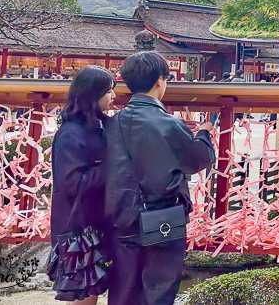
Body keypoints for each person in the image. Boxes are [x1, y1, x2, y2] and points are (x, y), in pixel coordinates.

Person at [105, 52, 216, 305]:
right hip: (163, 219)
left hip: (121, 218)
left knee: (123, 291)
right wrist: (204, 135)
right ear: (160, 81)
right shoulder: (170, 124)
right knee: (159, 291)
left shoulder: (113, 123)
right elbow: (198, 160)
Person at [47, 66, 115, 304]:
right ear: (92, 94)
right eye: (109, 91)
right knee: (85, 296)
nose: (113, 96)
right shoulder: (70, 134)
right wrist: (113, 167)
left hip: (95, 223)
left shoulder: (98, 125)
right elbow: (73, 183)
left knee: (92, 293)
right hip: (79, 230)